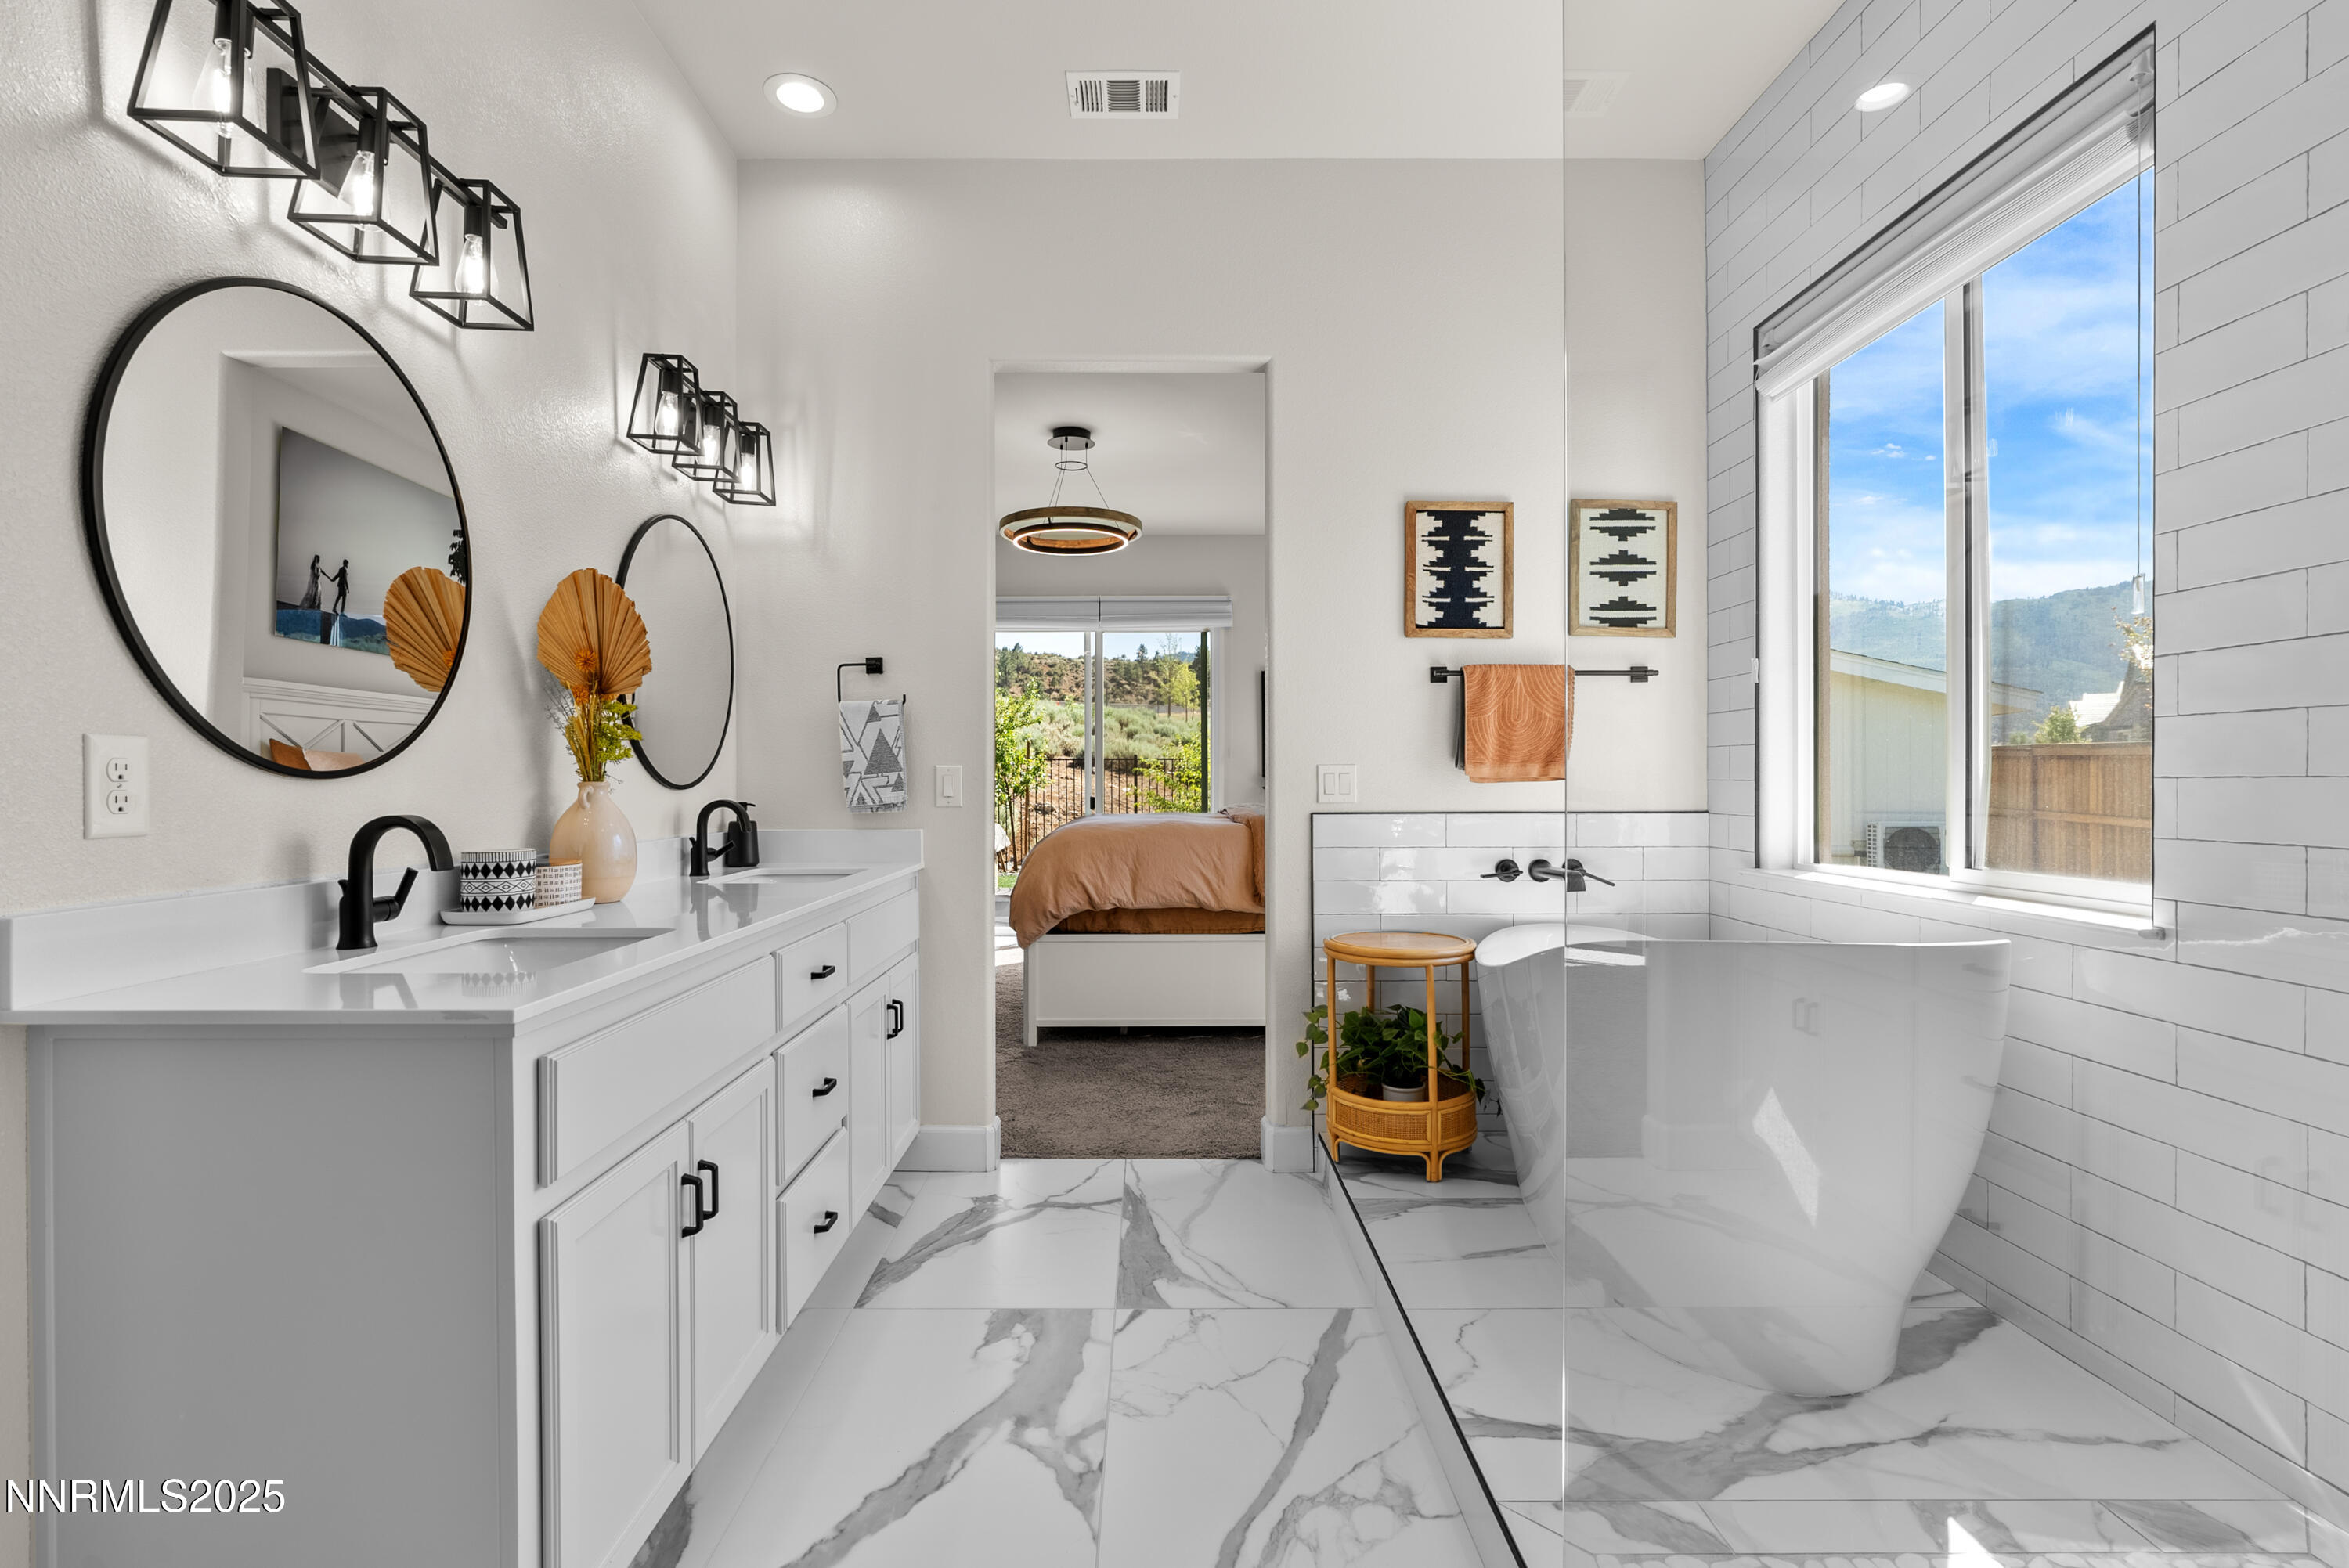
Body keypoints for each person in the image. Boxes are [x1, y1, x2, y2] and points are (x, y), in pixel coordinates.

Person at [327, 560, 351, 644]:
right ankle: (342, 612)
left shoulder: (341, 569)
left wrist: (332, 579)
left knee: (338, 597)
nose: (348, 565)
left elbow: (337, 576)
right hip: (343, 586)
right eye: (347, 564)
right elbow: (345, 579)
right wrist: (348, 588)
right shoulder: (344, 569)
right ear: (345, 563)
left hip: (339, 585)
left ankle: (335, 608)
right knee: (343, 599)